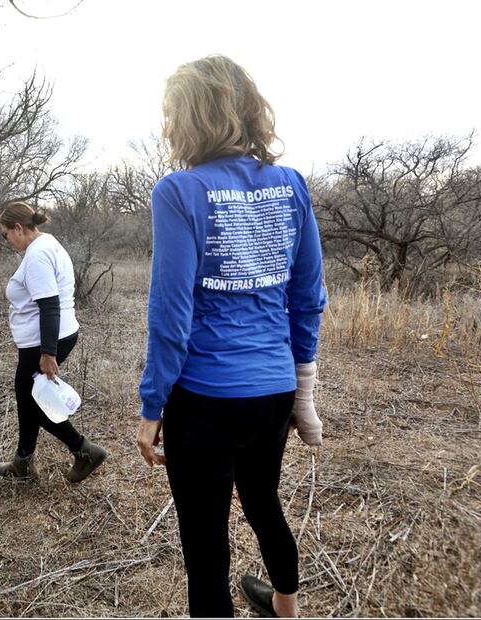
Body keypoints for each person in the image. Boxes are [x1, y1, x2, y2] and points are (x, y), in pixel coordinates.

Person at [135, 56, 327, 618]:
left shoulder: (179, 191)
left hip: (204, 398)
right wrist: (302, 387)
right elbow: (308, 296)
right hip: (271, 392)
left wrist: (152, 405)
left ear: (189, 119)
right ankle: (286, 608)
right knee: (264, 499)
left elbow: (170, 310)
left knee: (205, 545)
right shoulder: (290, 185)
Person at [0, 202, 108, 483]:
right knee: (28, 397)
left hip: (45, 341)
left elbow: (49, 306)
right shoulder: (47, 244)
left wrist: (47, 353)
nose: (7, 240)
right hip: (52, 336)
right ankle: (23, 461)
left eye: (6, 233)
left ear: (19, 228)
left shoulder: (38, 255)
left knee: (33, 401)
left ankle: (84, 450)